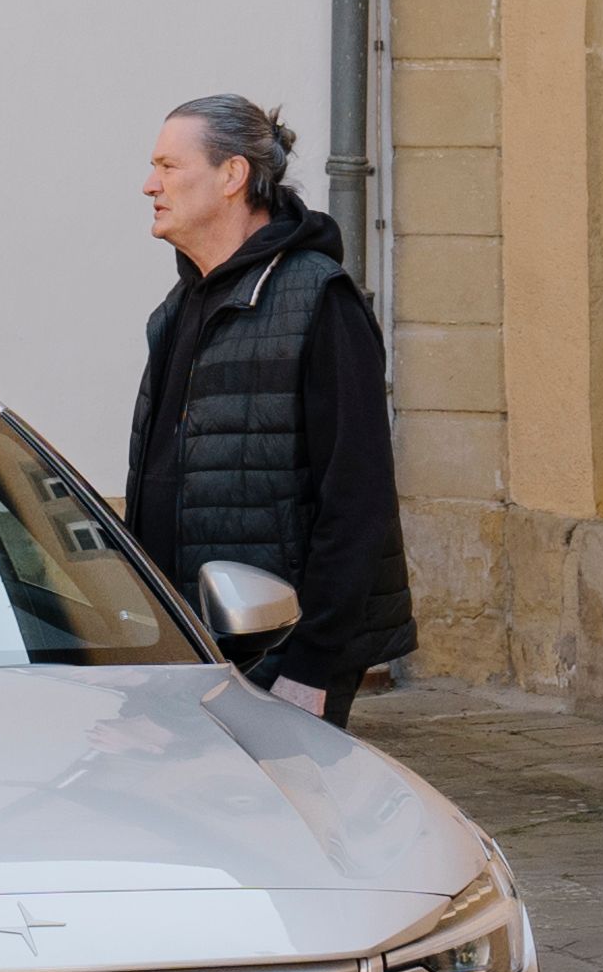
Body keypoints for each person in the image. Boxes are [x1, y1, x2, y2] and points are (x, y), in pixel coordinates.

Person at [124, 94, 415, 724]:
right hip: (196, 645)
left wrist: (311, 666)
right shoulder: (180, 309)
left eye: (169, 167)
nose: (150, 185)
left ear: (232, 176)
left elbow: (358, 501)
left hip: (279, 654)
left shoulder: (318, 299)